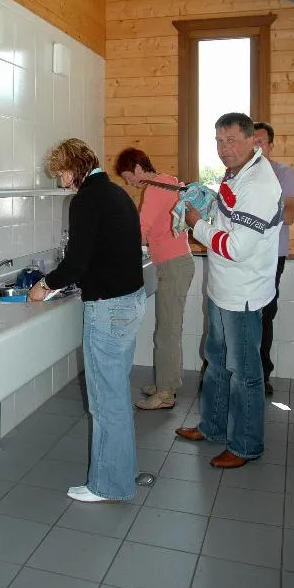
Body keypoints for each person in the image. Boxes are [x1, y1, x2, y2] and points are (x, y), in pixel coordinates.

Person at [29, 139, 146, 502]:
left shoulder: (86, 199)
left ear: (76, 167)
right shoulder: (116, 194)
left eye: (63, 174)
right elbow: (101, 253)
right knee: (116, 395)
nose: (63, 182)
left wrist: (44, 285)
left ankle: (109, 485)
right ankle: (121, 472)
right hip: (130, 302)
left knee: (106, 401)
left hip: (108, 308)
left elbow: (76, 263)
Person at [176, 113, 282, 468]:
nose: (224, 149)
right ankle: (213, 427)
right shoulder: (236, 172)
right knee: (217, 361)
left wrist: (196, 224)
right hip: (223, 288)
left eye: (232, 140)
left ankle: (246, 445)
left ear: (252, 140)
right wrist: (208, 203)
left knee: (245, 373)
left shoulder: (259, 185)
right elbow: (229, 216)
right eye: (219, 141)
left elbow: (236, 247)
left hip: (243, 295)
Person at [114, 148, 194, 410]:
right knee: (169, 327)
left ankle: (165, 393)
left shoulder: (154, 189)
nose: (130, 183)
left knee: (167, 330)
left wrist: (114, 252)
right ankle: (167, 382)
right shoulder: (168, 182)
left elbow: (141, 231)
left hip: (173, 264)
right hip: (177, 262)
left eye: (129, 177)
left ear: (138, 168)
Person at [254, 121, 294, 396]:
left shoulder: (283, 173)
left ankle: (262, 375)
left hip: (272, 256)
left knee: (265, 314)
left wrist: (252, 215)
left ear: (271, 145)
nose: (256, 146)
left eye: (261, 141)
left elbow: (290, 215)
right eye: (252, 141)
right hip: (244, 255)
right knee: (238, 314)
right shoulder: (237, 173)